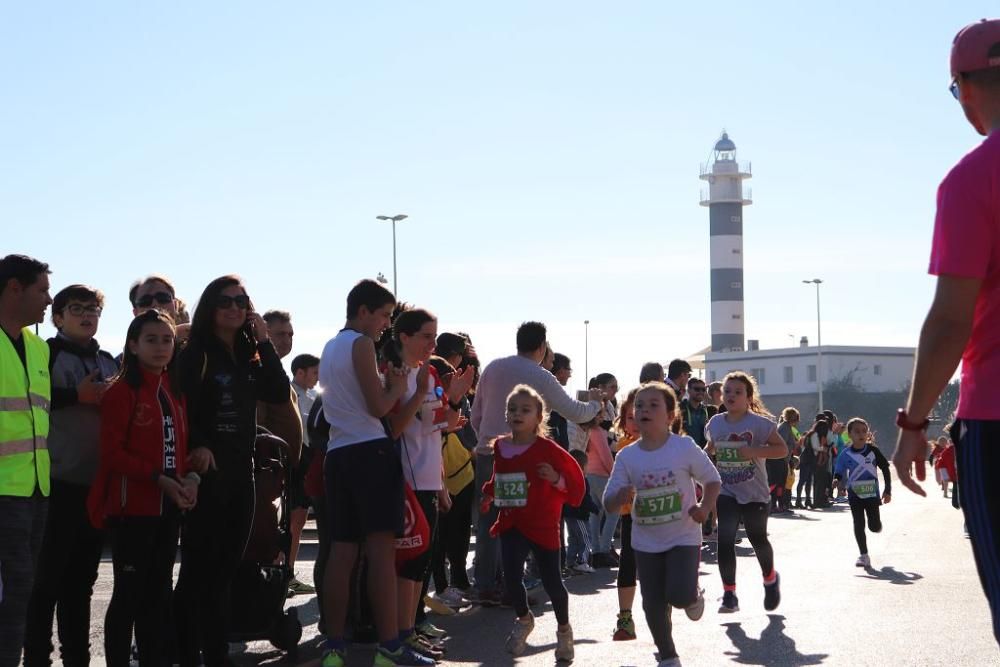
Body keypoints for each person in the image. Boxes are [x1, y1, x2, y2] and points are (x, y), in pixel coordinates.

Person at [172, 276, 290, 667]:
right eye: (225, 301)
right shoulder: (197, 352)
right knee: (197, 573)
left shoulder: (247, 355)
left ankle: (214, 652)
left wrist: (263, 340)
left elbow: (276, 390)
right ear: (210, 306)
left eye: (242, 301)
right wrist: (198, 444)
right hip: (206, 477)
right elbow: (180, 405)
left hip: (242, 475)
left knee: (223, 571)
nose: (235, 307)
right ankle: (190, 653)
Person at [319, 279, 433, 667]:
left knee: (342, 550)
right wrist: (398, 385)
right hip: (370, 451)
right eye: (384, 315)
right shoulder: (360, 342)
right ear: (363, 311)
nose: (386, 323)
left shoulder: (330, 346)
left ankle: (334, 644)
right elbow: (378, 407)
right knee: (381, 554)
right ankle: (389, 646)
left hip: (339, 453)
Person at [88, 310, 198, 666]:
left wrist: (189, 479)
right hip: (131, 511)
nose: (160, 347)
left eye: (167, 340)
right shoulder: (121, 391)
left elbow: (180, 449)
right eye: (151, 340)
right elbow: (112, 454)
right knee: (129, 597)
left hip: (168, 510)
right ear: (132, 345)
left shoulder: (174, 391)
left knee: (159, 597)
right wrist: (159, 479)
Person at [469, 322, 601, 605]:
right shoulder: (540, 376)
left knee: (490, 518)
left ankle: (485, 585)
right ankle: (511, 585)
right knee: (523, 520)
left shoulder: (492, 368)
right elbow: (574, 411)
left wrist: (487, 438)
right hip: (525, 456)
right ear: (541, 347)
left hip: (489, 452)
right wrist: (596, 405)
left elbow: (475, 416)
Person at [24, 285, 118, 667]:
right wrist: (74, 397)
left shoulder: (111, 361)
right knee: (44, 584)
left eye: (93, 309)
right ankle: (36, 660)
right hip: (54, 487)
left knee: (81, 585)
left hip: (96, 488)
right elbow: (30, 399)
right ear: (58, 317)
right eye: (76, 308)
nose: (86, 315)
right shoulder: (44, 353)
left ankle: (77, 659)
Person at [604, 382, 721, 667]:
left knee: (679, 596)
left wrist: (705, 507)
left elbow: (712, 480)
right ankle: (668, 656)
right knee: (652, 602)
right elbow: (608, 501)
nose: (644, 410)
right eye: (639, 405)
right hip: (646, 540)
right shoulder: (627, 456)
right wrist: (619, 496)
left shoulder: (683, 447)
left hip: (683, 535)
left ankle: (692, 595)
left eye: (653, 405)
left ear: (670, 415)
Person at [381, 308, 474, 658]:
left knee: (421, 560)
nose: (433, 343)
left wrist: (451, 404)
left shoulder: (431, 371)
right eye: (426, 336)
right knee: (406, 562)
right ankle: (401, 634)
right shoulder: (394, 373)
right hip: (404, 481)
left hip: (428, 478)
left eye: (435, 337)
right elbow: (393, 429)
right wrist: (425, 398)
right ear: (404, 336)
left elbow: (434, 427)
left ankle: (412, 627)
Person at [481, 385, 584, 662]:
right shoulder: (501, 446)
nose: (517, 414)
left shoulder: (548, 449)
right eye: (512, 409)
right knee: (512, 581)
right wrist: (490, 494)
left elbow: (572, 479)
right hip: (512, 521)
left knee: (552, 582)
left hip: (542, 524)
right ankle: (524, 619)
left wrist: (554, 478)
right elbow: (501, 476)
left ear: (539, 417)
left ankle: (563, 630)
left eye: (525, 410)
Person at [0, 255, 52, 667]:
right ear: (14, 288)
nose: (48, 299)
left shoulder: (37, 346)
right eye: (42, 289)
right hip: (3, 494)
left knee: (20, 594)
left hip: (35, 493)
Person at [705, 372, 788, 614]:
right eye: (727, 391)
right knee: (725, 538)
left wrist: (754, 451)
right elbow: (710, 448)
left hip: (755, 493)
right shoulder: (716, 423)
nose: (730, 395)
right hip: (726, 491)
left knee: (757, 538)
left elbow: (781, 450)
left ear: (748, 397)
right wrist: (700, 460)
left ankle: (770, 579)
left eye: (737, 392)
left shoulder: (760, 424)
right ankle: (729, 594)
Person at [257, 310, 311, 595]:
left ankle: (283, 576)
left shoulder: (275, 371)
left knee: (289, 527)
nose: (287, 339)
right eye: (280, 333)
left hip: (286, 469)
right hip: (264, 471)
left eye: (290, 334)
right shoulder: (259, 369)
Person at [832, 418, 892, 568]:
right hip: (854, 495)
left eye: (864, 431)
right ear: (850, 434)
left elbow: (885, 468)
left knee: (874, 527)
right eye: (857, 431)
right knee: (858, 523)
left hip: (872, 494)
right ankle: (864, 555)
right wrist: (836, 480)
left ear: (868, 434)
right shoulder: (845, 454)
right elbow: (839, 469)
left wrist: (888, 490)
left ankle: (877, 525)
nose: (861, 434)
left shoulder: (873, 451)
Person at [610, 388, 640, 641]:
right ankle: (625, 617)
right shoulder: (623, 450)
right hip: (632, 516)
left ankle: (663, 615)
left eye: (644, 414)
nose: (638, 420)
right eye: (631, 416)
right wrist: (621, 492)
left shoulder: (672, 446)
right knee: (628, 563)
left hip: (665, 519)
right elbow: (612, 490)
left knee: (660, 569)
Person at [562, 449, 599, 573]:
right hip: (579, 515)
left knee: (573, 538)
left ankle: (570, 561)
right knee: (586, 538)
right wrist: (595, 508)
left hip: (568, 514)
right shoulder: (582, 479)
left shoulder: (566, 478)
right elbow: (585, 499)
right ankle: (582, 561)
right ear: (582, 466)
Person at [128, 275, 190, 345]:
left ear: (175, 305)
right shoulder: (127, 354)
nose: (155, 304)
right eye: (145, 301)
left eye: (163, 298)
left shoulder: (195, 342)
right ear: (135, 312)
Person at [770, 408, 800, 514]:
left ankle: (780, 504)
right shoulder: (785, 428)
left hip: (782, 459)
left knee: (780, 483)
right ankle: (776, 505)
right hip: (779, 459)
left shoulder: (785, 426)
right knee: (778, 483)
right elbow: (781, 444)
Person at [679, 377, 717, 448]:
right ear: (689, 390)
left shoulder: (709, 410)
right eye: (697, 389)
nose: (701, 392)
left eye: (703, 389)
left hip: (702, 453)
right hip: (683, 452)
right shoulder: (680, 408)